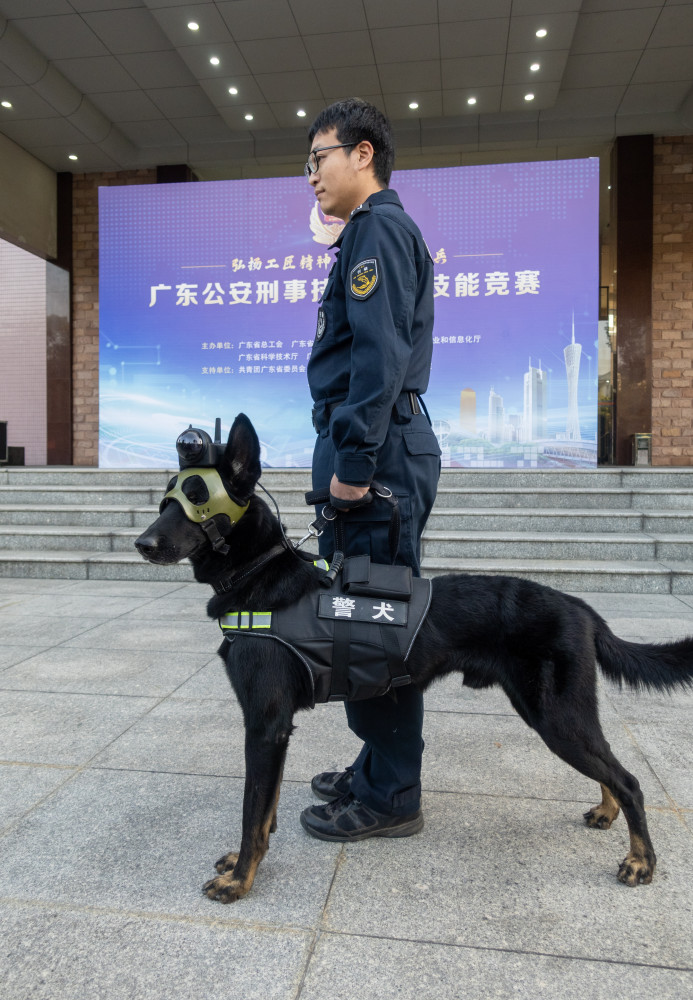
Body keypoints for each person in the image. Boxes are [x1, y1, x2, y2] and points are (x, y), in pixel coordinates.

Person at [300, 98, 441, 842]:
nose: (312, 176)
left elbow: (376, 360)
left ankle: (392, 795)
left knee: (375, 623)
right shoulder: (371, 232)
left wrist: (352, 463)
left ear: (361, 154)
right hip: (381, 451)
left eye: (318, 157)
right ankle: (379, 761)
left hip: (376, 459)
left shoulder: (377, 231)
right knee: (364, 618)